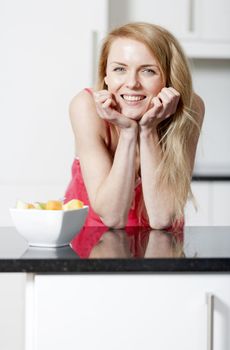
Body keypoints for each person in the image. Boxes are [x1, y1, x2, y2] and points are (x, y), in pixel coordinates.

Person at [64, 22, 205, 235]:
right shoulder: (86, 107)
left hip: (161, 251)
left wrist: (148, 130)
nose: (132, 83)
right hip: (92, 247)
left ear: (169, 78)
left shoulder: (190, 107)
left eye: (148, 71)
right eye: (120, 69)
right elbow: (112, 216)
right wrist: (129, 133)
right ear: (106, 76)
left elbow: (162, 217)